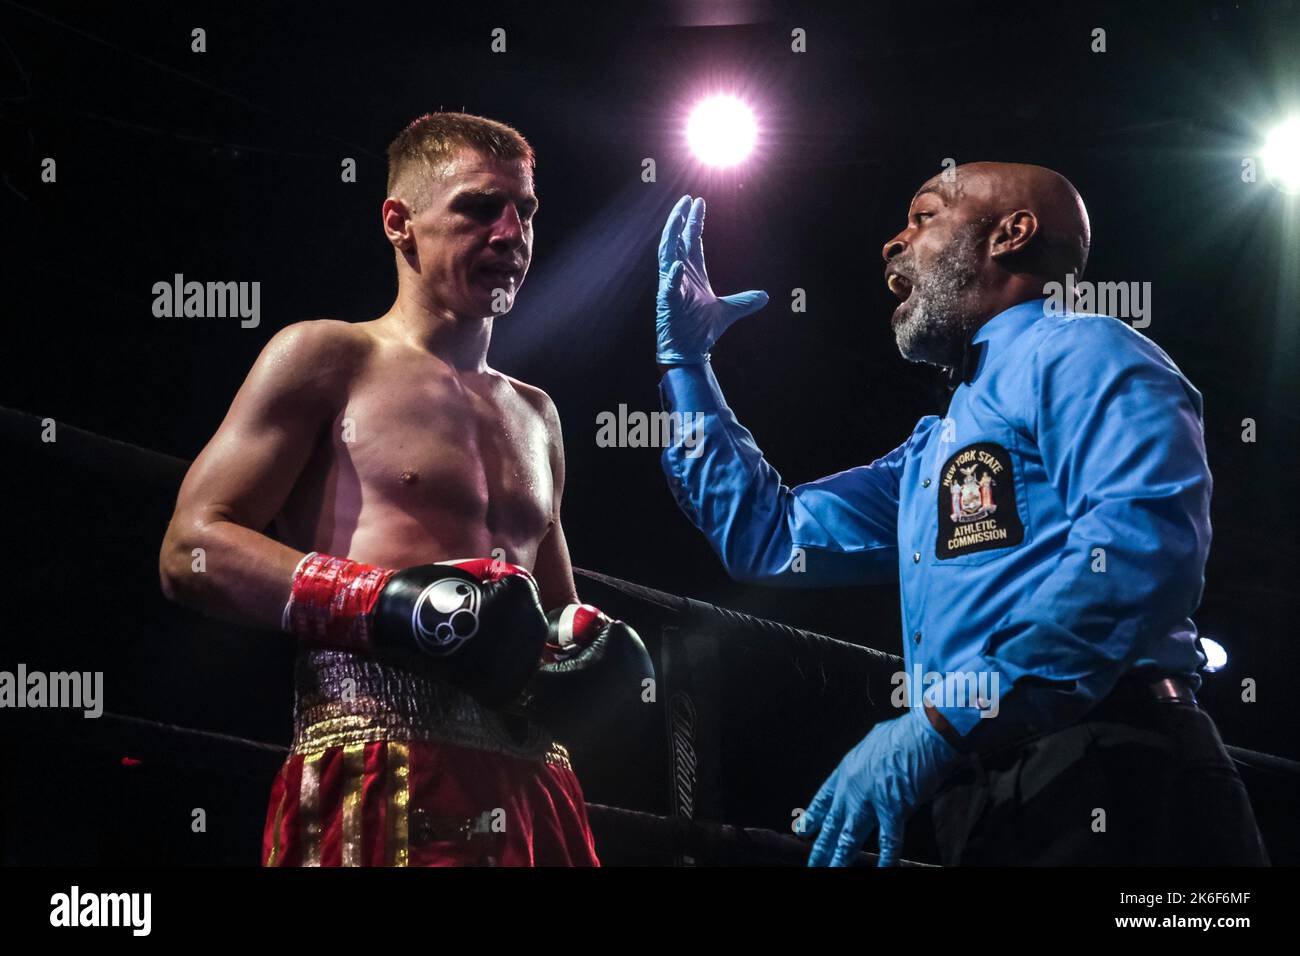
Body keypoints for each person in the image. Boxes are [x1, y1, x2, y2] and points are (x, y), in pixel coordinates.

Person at [654, 163, 1269, 866]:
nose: (892, 242)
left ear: (1011, 234)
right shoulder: (934, 447)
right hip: (981, 797)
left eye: (924, 216)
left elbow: (1138, 555)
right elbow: (769, 538)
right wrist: (686, 365)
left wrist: (943, 721)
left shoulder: (1085, 349)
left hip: (1117, 768)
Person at [159, 111, 650, 867]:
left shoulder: (537, 414)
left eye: (526, 211)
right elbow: (190, 549)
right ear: (399, 221)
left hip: (535, 786)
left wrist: (588, 648)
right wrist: (393, 607)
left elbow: (549, 613)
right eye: (481, 207)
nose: (511, 233)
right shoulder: (327, 356)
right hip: (377, 766)